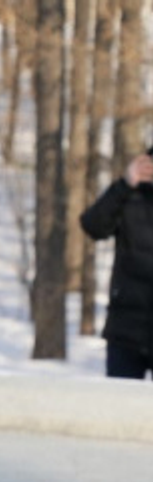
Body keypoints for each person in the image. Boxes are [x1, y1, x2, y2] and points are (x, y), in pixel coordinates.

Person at [79, 147, 153, 380]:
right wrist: (124, 184)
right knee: (120, 410)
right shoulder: (129, 195)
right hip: (126, 330)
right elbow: (93, 226)